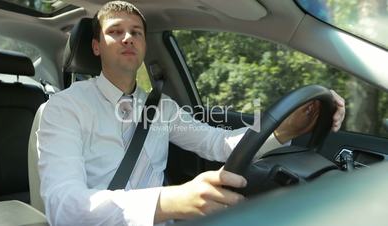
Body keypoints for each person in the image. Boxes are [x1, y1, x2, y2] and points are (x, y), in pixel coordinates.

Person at [36, 1, 346, 226]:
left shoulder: (162, 107)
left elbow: (218, 144)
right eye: (115, 31)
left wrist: (284, 130)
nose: (128, 38)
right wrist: (169, 201)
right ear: (96, 46)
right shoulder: (63, 109)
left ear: (144, 46)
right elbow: (65, 209)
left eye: (136, 32)